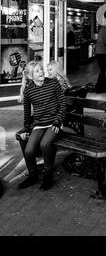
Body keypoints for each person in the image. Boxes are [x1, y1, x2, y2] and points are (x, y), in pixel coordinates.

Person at [17, 61, 66, 191]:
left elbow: (63, 104)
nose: (42, 72)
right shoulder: (28, 91)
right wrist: (26, 129)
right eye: (38, 71)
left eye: (41, 69)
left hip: (55, 123)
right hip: (39, 125)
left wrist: (58, 121)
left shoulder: (53, 83)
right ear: (31, 76)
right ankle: (33, 177)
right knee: (28, 150)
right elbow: (27, 114)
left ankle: (47, 176)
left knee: (45, 144)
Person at [95, 23, 106, 93]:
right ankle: (99, 88)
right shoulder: (105, 30)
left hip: (100, 53)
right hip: (103, 53)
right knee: (103, 71)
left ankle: (103, 87)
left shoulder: (103, 29)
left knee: (103, 70)